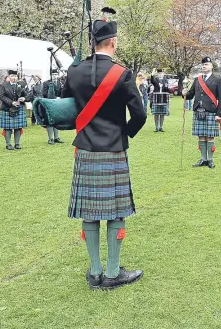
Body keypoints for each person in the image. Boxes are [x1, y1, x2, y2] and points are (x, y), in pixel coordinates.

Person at [62, 17, 146, 289]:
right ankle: (112, 273)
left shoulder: (74, 72)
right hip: (113, 149)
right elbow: (140, 115)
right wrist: (124, 133)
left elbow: (68, 107)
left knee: (90, 212)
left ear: (93, 43)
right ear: (112, 42)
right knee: (116, 212)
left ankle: (95, 270)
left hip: (85, 148)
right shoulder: (123, 73)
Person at [183, 57, 221, 169]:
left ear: (211, 66)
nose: (204, 66)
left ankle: (210, 160)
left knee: (210, 136)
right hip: (198, 111)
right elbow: (191, 95)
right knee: (201, 136)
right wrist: (184, 93)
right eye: (203, 65)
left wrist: (219, 114)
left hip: (211, 111)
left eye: (206, 64)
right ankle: (203, 159)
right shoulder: (197, 79)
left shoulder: (217, 80)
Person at [0, 71, 28, 150]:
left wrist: (24, 98)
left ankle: (17, 144)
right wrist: (11, 102)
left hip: (18, 108)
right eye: (12, 76)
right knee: (8, 128)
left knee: (18, 127)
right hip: (7, 108)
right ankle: (8, 144)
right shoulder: (3, 86)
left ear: (17, 77)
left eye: (15, 76)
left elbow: (27, 94)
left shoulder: (20, 85)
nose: (14, 78)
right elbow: (2, 96)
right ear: (9, 77)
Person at [41, 71, 65, 145]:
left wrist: (60, 97)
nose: (54, 76)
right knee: (49, 121)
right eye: (53, 74)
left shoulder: (60, 82)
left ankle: (56, 137)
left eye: (56, 74)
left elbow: (62, 92)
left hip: (57, 104)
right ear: (50, 75)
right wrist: (53, 96)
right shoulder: (46, 83)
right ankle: (50, 138)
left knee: (56, 121)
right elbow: (44, 94)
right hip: (49, 104)